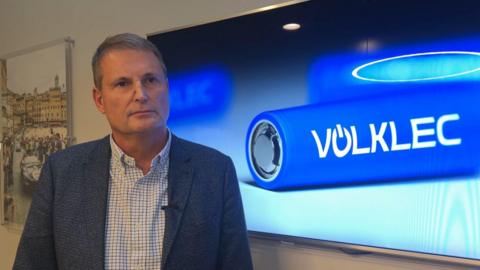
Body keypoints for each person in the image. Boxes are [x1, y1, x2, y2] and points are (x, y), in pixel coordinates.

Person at [14, 33, 253, 270]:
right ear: (99, 100)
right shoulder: (62, 173)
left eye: (150, 80)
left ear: (166, 88)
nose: (141, 94)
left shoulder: (215, 171)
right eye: (122, 83)